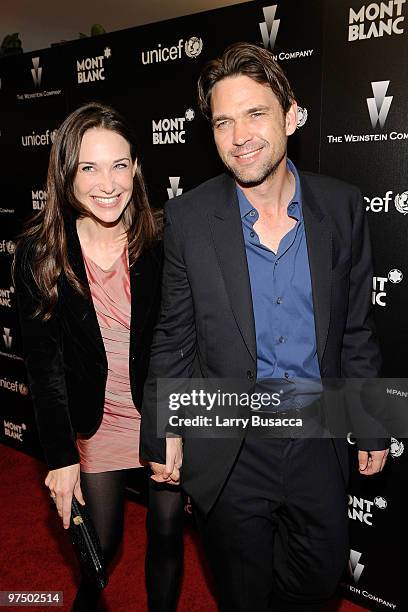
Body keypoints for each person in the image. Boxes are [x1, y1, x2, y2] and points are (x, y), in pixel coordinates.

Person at [140, 43, 389, 611]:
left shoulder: (343, 206)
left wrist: (373, 425)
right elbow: (174, 335)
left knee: (318, 583)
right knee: (241, 594)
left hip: (317, 436)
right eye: (223, 122)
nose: (239, 136)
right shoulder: (188, 217)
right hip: (230, 444)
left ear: (291, 115)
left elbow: (356, 327)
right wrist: (161, 432)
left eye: (255, 114)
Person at [14, 102, 184, 612]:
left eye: (119, 165)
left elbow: (180, 341)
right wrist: (61, 458)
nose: (107, 183)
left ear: (136, 167)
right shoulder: (40, 254)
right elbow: (44, 370)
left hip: (161, 412)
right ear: (66, 173)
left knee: (168, 532)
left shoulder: (163, 239)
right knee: (100, 548)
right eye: (88, 167)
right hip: (100, 416)